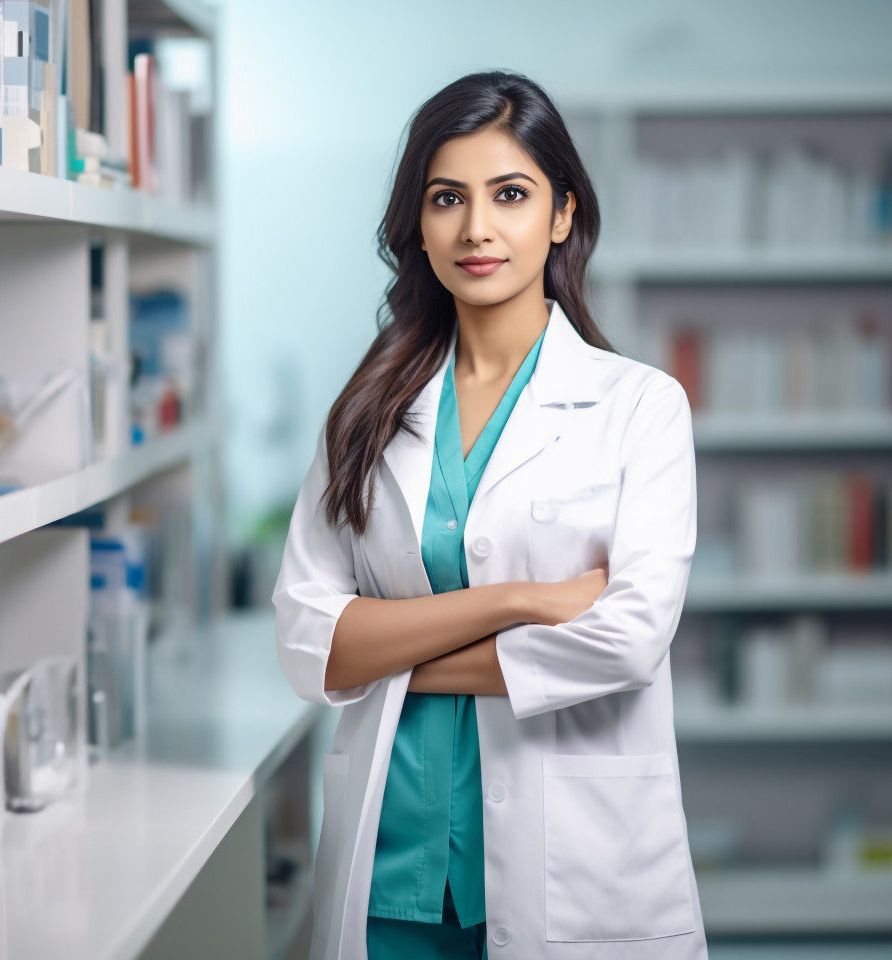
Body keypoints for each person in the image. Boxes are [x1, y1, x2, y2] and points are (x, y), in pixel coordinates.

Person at [272, 70, 708, 960]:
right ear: (418, 223)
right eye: (447, 199)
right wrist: (519, 602)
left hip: (577, 875)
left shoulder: (640, 407)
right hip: (391, 877)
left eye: (510, 195)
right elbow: (307, 642)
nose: (476, 228)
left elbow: (628, 641)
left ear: (561, 214)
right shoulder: (364, 414)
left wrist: (389, 654)